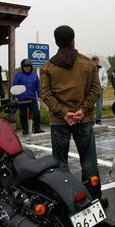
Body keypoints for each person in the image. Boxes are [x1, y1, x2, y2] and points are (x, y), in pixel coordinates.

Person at [40, 25, 106, 206]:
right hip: (83, 119)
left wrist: (64, 114)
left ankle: (66, 201)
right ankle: (94, 197)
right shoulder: (88, 63)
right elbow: (96, 89)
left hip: (59, 122)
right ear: (73, 40)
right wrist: (82, 110)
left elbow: (45, 94)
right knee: (89, 160)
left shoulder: (48, 66)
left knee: (60, 163)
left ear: (56, 42)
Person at [12, 59, 44, 135]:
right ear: (23, 67)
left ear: (31, 67)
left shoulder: (35, 76)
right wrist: (15, 96)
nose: (27, 68)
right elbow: (14, 86)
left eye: (29, 67)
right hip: (22, 98)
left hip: (32, 98)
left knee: (36, 114)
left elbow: (38, 87)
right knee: (23, 115)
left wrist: (39, 96)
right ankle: (25, 129)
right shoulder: (18, 76)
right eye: (25, 67)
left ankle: (37, 129)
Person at [92, 55, 108, 125]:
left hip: (99, 89)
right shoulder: (89, 69)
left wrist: (102, 86)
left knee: (99, 105)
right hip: (91, 89)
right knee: (90, 105)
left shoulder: (102, 69)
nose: (95, 61)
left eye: (96, 60)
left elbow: (105, 79)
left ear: (98, 61)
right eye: (93, 60)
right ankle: (91, 119)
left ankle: (98, 119)